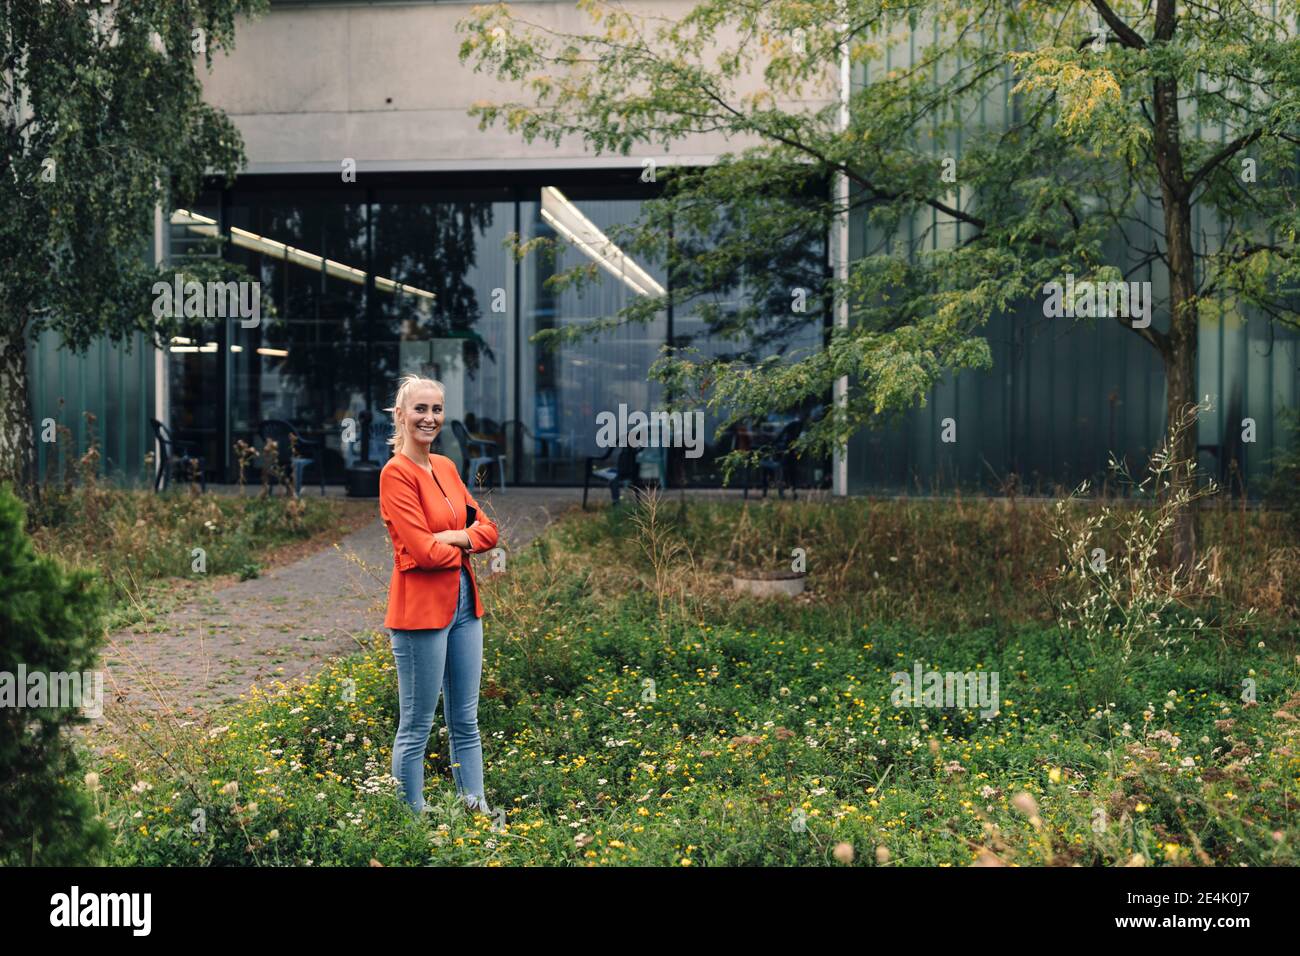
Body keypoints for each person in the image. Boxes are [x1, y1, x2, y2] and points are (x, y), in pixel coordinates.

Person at [379, 373, 499, 817]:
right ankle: (411, 820)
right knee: (416, 725)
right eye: (419, 409)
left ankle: (476, 809)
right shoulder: (395, 475)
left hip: (466, 605)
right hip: (421, 615)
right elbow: (424, 554)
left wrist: (451, 537)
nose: (429, 418)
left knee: (465, 720)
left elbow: (489, 530)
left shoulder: (446, 467)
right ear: (400, 415)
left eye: (436, 410)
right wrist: (459, 540)